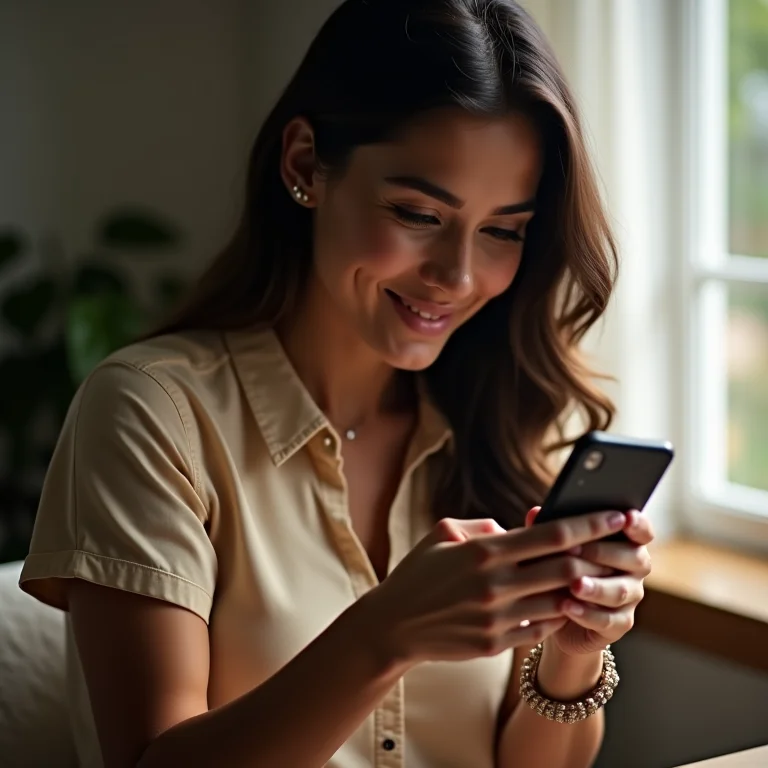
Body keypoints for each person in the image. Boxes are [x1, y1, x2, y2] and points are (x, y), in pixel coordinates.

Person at [19, 1, 654, 766]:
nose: (457, 276)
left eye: (502, 230)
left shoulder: (494, 414)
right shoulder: (153, 414)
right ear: (303, 166)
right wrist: (386, 633)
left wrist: (575, 651)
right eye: (419, 213)